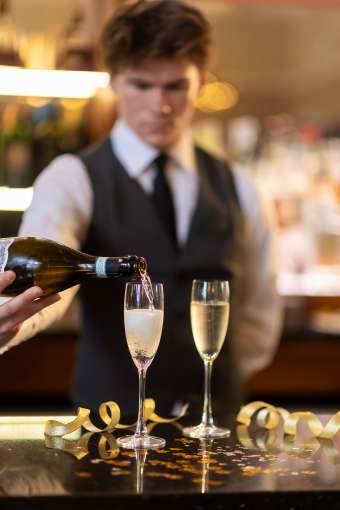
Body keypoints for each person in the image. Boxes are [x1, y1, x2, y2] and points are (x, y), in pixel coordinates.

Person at [0, 0, 281, 418]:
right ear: (113, 81)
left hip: (216, 427)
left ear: (200, 81)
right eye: (141, 86)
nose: (159, 106)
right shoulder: (72, 176)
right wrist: (15, 318)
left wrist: (216, 376)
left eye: (175, 86)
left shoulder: (240, 184)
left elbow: (261, 312)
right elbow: (56, 274)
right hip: (108, 433)